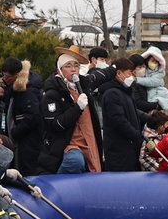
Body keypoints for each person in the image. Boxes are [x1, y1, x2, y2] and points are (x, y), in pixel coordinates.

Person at [38, 46, 114, 174]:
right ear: (59, 70)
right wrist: (77, 108)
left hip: (89, 141)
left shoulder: (83, 85)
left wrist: (115, 69)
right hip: (67, 144)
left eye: (76, 65)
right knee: (74, 162)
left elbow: (100, 76)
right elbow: (54, 125)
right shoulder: (52, 93)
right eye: (68, 66)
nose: (73, 69)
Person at [0, 57, 43, 175]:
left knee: (25, 171)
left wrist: (15, 132)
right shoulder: (17, 86)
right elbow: (16, 103)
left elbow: (33, 116)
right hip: (21, 139)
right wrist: (5, 94)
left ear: (16, 74)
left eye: (6, 77)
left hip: (27, 141)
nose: (4, 79)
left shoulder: (28, 90)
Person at [100, 57, 143, 172]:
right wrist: (136, 135)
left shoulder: (125, 92)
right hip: (119, 151)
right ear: (119, 73)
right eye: (129, 73)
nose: (132, 77)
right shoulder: (112, 93)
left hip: (129, 148)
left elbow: (131, 113)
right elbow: (118, 120)